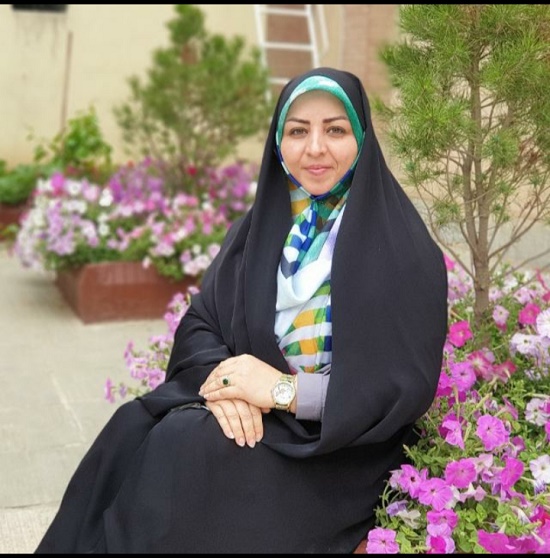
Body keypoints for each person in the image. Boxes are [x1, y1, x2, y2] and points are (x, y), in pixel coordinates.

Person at [35, 67, 448, 554]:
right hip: (264, 424)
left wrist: (280, 391)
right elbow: (200, 322)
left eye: (335, 130)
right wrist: (230, 385)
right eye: (298, 131)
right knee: (136, 428)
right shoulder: (260, 230)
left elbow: (399, 386)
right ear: (278, 143)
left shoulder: (402, 247)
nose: (315, 148)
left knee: (187, 452)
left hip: (343, 451)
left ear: (362, 139)